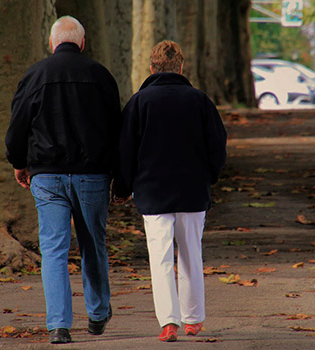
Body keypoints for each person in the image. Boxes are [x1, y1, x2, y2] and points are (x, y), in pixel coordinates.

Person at [5, 16, 121, 344]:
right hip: (92, 176)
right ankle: (98, 313)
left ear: (53, 43)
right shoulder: (101, 76)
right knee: (92, 244)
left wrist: (19, 162)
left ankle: (58, 325)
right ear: (82, 42)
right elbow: (117, 131)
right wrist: (120, 175)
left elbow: (17, 126)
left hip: (47, 175)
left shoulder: (36, 74)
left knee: (54, 249)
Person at [114, 40, 227, 342]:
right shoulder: (200, 101)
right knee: (192, 254)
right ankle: (193, 318)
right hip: (192, 191)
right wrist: (209, 177)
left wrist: (124, 187)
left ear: (151, 68)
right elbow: (217, 146)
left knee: (160, 259)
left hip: (152, 193)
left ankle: (169, 321)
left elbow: (125, 150)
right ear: (181, 67)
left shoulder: (139, 103)